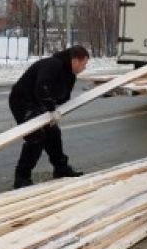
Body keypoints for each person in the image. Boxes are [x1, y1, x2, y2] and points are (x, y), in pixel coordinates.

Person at [9, 45, 91, 188]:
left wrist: (57, 106)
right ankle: (21, 177)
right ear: (75, 60)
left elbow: (62, 97)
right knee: (36, 134)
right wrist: (51, 108)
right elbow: (42, 88)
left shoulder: (70, 75)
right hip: (22, 100)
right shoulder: (53, 64)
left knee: (53, 132)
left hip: (37, 103)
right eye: (84, 64)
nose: (84, 68)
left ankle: (61, 169)